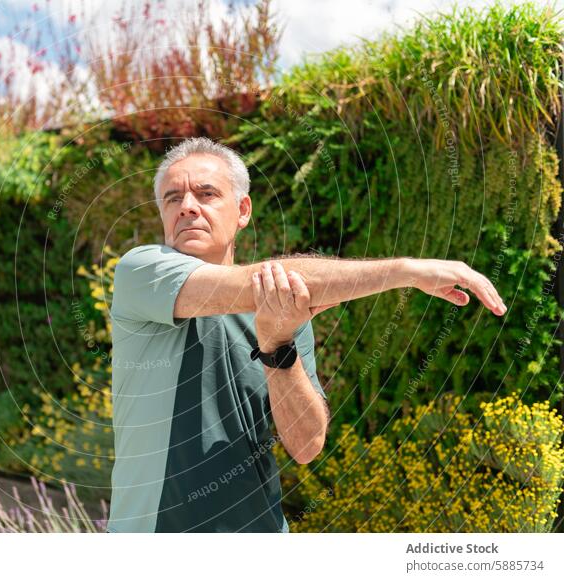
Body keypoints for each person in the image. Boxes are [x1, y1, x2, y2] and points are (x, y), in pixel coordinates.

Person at [105, 137, 506, 533]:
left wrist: (277, 348)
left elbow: (306, 445)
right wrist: (407, 271)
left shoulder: (284, 309)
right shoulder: (141, 271)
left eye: (206, 194)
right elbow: (264, 281)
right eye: (173, 198)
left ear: (243, 210)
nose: (187, 207)